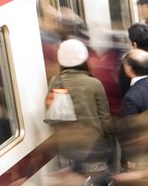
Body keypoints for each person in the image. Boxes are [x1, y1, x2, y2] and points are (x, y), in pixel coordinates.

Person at [45, 38, 113, 173]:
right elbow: (105, 119)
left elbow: (50, 109)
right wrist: (111, 141)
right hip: (93, 148)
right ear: (84, 60)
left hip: (66, 148)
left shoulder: (55, 81)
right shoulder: (94, 83)